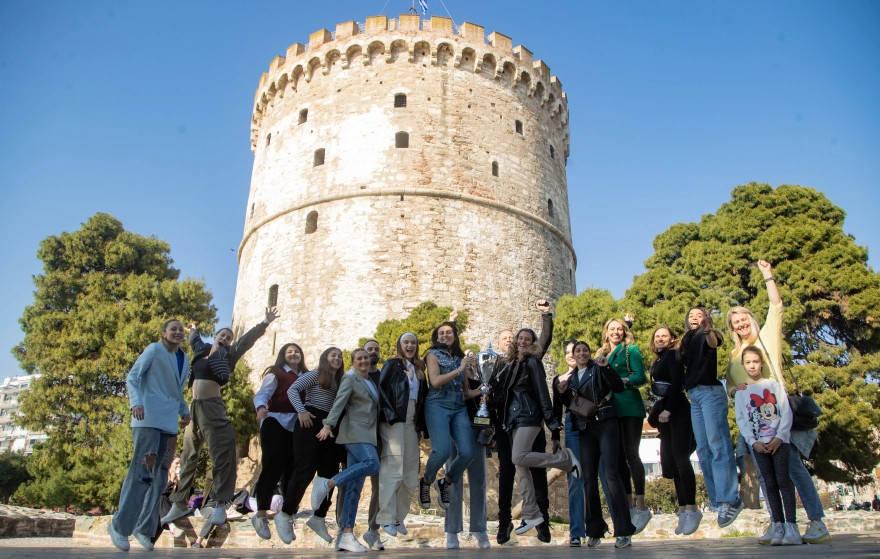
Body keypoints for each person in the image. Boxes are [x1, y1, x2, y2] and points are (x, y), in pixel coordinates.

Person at [725, 260, 830, 545]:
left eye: (744, 319)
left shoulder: (767, 337)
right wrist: (735, 391)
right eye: (736, 322)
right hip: (754, 423)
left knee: (792, 468)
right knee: (763, 473)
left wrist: (767, 275)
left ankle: (816, 521)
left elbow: (776, 306)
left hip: (778, 415)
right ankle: (778, 523)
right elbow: (732, 387)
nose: (741, 324)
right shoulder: (734, 356)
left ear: (750, 320)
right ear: (732, 328)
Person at [163, 309, 278, 527]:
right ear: (215, 336)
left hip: (212, 408)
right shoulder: (201, 350)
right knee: (188, 456)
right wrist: (193, 330)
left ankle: (219, 504)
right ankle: (179, 503)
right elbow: (194, 338)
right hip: (194, 408)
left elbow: (247, 340)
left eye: (228, 336)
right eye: (222, 335)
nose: (225, 338)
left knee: (221, 456)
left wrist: (265, 322)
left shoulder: (229, 354)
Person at [109, 319, 191, 552]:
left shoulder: (184, 358)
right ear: (164, 333)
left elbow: (177, 390)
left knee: (160, 476)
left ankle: (144, 529)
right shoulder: (154, 349)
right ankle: (120, 526)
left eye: (180, 330)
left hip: (169, 424)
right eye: (173, 329)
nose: (177, 332)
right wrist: (136, 402)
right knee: (142, 472)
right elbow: (133, 377)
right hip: (148, 417)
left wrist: (184, 410)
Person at [499, 328, 581, 538]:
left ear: (533, 342)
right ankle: (532, 512)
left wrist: (551, 422)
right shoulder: (511, 364)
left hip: (528, 416)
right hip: (513, 420)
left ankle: (564, 460)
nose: (523, 341)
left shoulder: (533, 362)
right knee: (520, 466)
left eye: (528, 339)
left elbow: (543, 393)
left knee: (518, 457)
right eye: (520, 338)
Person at [556, 342, 635, 548]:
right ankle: (594, 530)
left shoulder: (598, 368)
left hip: (606, 423)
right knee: (588, 478)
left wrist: (607, 367)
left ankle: (623, 530)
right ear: (572, 356)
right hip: (585, 428)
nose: (581, 354)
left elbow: (617, 387)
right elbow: (573, 405)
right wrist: (564, 392)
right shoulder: (572, 378)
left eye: (585, 351)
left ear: (589, 354)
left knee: (610, 474)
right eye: (577, 351)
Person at [492, 300, 554, 544]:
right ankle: (504, 522)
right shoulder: (501, 365)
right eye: (508, 338)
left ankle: (543, 521)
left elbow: (545, 340)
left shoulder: (532, 359)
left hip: (529, 420)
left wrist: (546, 316)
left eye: (516, 337)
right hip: (506, 423)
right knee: (507, 472)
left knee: (536, 471)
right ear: (503, 343)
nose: (513, 340)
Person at [311, 348, 381, 553]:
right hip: (354, 433)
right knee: (372, 464)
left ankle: (347, 535)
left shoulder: (369, 381)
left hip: (367, 433)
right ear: (352, 363)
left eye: (366, 358)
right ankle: (328, 483)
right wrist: (328, 425)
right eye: (359, 358)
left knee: (354, 489)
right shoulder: (350, 379)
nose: (363, 361)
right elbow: (339, 403)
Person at [679, 307, 743, 527]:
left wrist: (707, 331)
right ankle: (718, 500)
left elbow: (714, 343)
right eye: (691, 316)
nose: (695, 318)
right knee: (703, 449)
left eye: (699, 315)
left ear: (705, 318)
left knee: (718, 444)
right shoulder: (686, 340)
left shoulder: (708, 334)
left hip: (710, 393)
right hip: (694, 395)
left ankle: (729, 498)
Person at [734, 346, 801, 545]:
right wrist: (753, 442)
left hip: (779, 442)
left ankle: (791, 526)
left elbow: (786, 412)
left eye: (755, 361)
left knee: (783, 481)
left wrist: (780, 436)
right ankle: (777, 524)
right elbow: (741, 420)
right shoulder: (742, 392)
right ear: (743, 365)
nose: (752, 365)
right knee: (769, 484)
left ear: (761, 363)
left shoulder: (773, 386)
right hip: (759, 445)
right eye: (748, 362)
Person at [281, 347, 346, 544]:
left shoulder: (340, 381)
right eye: (332, 355)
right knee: (305, 469)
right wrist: (300, 411)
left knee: (330, 473)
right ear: (325, 358)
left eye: (340, 356)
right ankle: (285, 514)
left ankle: (319, 517)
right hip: (309, 420)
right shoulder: (315, 374)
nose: (337, 358)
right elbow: (293, 390)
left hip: (329, 425)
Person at [595, 318, 651, 534]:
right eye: (612, 329)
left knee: (631, 454)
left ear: (624, 331)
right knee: (617, 459)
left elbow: (640, 377)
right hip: (610, 410)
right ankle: (627, 505)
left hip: (629, 406)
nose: (616, 332)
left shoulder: (631, 350)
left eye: (620, 329)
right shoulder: (601, 354)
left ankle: (641, 505)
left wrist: (622, 381)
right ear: (606, 332)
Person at [418, 321, 478, 518]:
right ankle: (426, 481)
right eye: (441, 333)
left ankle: (447, 481)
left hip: (459, 405)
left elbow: (467, 392)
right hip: (437, 403)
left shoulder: (460, 358)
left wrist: (483, 390)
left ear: (455, 336)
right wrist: (460, 369)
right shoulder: (432, 355)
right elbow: (435, 381)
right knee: (442, 451)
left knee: (468, 452)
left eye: (449, 332)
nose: (445, 336)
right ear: (436, 337)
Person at [646, 326, 701, 535]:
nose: (660, 339)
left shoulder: (672, 356)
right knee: (671, 465)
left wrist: (668, 409)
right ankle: (683, 510)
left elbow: (678, 382)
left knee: (680, 459)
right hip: (665, 410)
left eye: (664, 336)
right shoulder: (659, 359)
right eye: (657, 336)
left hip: (677, 409)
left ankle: (692, 509)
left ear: (671, 339)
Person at [250, 343, 308, 540]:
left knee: (293, 470)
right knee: (272, 466)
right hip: (275, 420)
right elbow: (263, 393)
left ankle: (286, 515)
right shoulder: (276, 373)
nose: (294, 354)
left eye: (297, 351)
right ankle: (260, 514)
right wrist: (260, 407)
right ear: (283, 356)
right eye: (289, 351)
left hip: (298, 424)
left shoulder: (306, 376)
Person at [376, 333, 425, 544]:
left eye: (413, 342)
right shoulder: (392, 364)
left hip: (411, 419)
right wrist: (389, 415)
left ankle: (398, 518)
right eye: (406, 342)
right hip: (395, 417)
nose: (410, 345)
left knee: (411, 467)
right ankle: (385, 517)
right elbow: (382, 390)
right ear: (400, 345)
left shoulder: (420, 369)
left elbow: (422, 397)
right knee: (393, 463)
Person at [361, 340, 385, 551]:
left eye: (376, 349)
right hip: (358, 435)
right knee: (353, 482)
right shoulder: (355, 376)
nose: (373, 352)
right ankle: (344, 529)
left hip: (379, 435)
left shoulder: (383, 375)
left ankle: (373, 530)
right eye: (369, 349)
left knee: (379, 485)